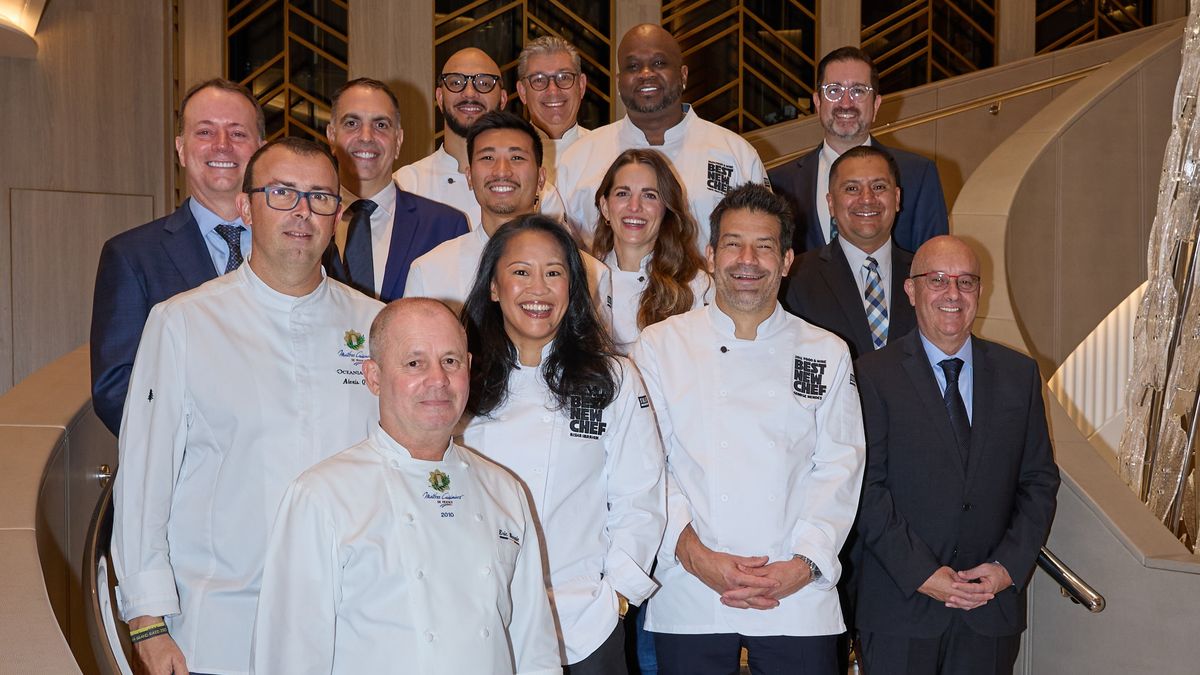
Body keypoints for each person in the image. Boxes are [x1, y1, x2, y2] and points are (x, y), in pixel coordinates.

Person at [111, 137, 384, 675]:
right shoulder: (184, 322)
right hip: (220, 628)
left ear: (337, 215)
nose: (302, 212)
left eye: (320, 197)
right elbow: (144, 476)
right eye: (282, 193)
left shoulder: (375, 325)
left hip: (353, 625)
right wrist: (148, 621)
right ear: (245, 207)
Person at [251, 298, 561, 675]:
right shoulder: (322, 497)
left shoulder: (505, 491)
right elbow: (290, 658)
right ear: (373, 376)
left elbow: (535, 652)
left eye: (451, 361)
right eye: (415, 363)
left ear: (469, 368)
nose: (438, 380)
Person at [632, 183, 865, 674]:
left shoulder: (825, 351)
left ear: (786, 260)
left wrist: (802, 565)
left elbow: (840, 468)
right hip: (692, 594)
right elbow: (649, 464)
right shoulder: (660, 346)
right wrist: (696, 556)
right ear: (711, 255)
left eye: (764, 247)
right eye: (734, 244)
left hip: (797, 600)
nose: (747, 259)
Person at [460, 214, 666, 674]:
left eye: (555, 273)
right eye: (520, 272)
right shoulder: (461, 379)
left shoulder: (612, 378)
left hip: (583, 623)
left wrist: (616, 596)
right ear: (493, 287)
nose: (539, 288)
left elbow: (641, 495)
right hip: (476, 617)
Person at [854, 235, 1060, 675]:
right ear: (911, 290)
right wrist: (921, 574)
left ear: (979, 293)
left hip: (989, 612)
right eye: (938, 280)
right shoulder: (870, 375)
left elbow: (1038, 483)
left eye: (966, 282)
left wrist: (1007, 568)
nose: (953, 294)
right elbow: (864, 488)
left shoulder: (1018, 374)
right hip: (900, 609)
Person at [90, 78, 264, 436]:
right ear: (182, 149)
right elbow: (116, 389)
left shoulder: (304, 246)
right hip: (183, 479)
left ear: (261, 149)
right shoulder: (131, 256)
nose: (222, 145)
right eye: (205, 132)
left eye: (237, 133)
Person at [556, 24, 767, 250]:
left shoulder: (735, 154)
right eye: (633, 66)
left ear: (683, 75)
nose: (646, 74)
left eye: (659, 63)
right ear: (619, 82)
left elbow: (764, 241)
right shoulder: (579, 159)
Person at [405, 111, 602, 313]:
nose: (501, 171)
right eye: (488, 157)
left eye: (516, 157)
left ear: (541, 178)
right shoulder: (429, 271)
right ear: (469, 176)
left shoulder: (590, 273)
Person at [769, 47, 948, 258]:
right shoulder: (780, 182)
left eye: (858, 91)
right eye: (834, 90)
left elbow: (935, 264)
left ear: (876, 104)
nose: (846, 103)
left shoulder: (918, 175)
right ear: (818, 103)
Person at [324, 77, 468, 301]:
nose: (366, 136)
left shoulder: (445, 226)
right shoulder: (306, 218)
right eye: (352, 123)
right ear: (332, 136)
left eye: (381, 125)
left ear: (398, 140)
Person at [394, 48, 564, 229]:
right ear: (440, 97)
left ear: (503, 99)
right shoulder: (406, 184)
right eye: (456, 82)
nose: (469, 93)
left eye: (484, 83)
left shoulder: (540, 192)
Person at [784, 145, 917, 359]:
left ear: (897, 198)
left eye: (879, 186)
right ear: (831, 204)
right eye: (852, 189)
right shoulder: (795, 279)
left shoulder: (926, 276)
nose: (867, 199)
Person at [592, 148, 712, 352]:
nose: (634, 206)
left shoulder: (696, 285)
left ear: (666, 209)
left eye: (649, 195)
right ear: (605, 207)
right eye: (623, 193)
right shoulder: (585, 280)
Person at [516, 35, 590, 183]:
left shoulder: (606, 151)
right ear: (522, 92)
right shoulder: (507, 157)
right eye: (538, 80)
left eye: (564, 77)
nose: (553, 90)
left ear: (581, 86)